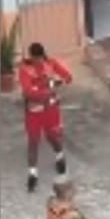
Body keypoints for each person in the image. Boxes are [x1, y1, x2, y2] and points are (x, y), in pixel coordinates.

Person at [17, 43, 72, 193]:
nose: (37, 62)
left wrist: (55, 83)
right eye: (35, 59)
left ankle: (60, 157)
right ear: (31, 56)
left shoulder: (51, 63)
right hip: (33, 112)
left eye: (39, 59)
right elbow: (28, 92)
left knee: (53, 137)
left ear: (42, 56)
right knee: (33, 141)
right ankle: (32, 174)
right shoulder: (24, 70)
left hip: (51, 110)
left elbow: (68, 76)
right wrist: (47, 91)